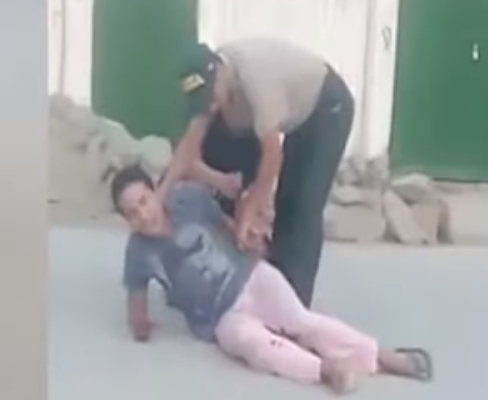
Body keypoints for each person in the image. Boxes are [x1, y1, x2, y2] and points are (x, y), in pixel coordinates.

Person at [112, 165, 433, 394]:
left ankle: (380, 356)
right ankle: (325, 370)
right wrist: (141, 327)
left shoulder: (189, 200)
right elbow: (136, 306)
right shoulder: (138, 253)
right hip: (221, 317)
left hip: (250, 275)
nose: (143, 215)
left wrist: (249, 241)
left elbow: (225, 225)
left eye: (144, 201)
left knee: (299, 320)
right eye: (132, 214)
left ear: (156, 191)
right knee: (254, 345)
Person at [160, 37, 354, 307]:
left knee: (304, 206)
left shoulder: (255, 81)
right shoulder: (215, 84)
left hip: (327, 106)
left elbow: (273, 154)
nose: (211, 107)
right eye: (203, 102)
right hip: (297, 116)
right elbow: (188, 146)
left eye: (212, 98)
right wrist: (160, 195)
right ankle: (277, 294)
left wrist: (251, 209)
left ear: (219, 72)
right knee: (286, 202)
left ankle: (295, 307)